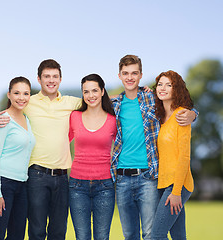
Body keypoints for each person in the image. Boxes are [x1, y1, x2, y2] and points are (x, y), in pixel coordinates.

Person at [0, 59, 81, 240]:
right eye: (47, 76)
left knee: (58, 231)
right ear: (39, 79)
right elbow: (10, 113)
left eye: (55, 76)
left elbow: (97, 99)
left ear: (61, 79)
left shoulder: (71, 102)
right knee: (36, 231)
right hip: (36, 176)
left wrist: (138, 92)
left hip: (62, 177)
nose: (51, 80)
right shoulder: (28, 101)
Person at [110, 55, 198, 240]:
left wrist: (193, 113)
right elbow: (90, 101)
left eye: (134, 73)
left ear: (141, 75)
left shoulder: (152, 99)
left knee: (153, 235)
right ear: (119, 75)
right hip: (125, 178)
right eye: (125, 73)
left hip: (149, 177)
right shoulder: (115, 104)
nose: (130, 77)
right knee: (135, 235)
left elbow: (184, 154)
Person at [69, 74, 117, 240]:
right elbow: (59, 141)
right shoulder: (74, 117)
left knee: (102, 237)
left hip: (105, 186)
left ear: (103, 91)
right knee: (82, 237)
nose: (91, 95)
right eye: (86, 91)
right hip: (76, 186)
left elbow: (121, 147)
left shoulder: (113, 120)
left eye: (95, 90)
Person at [0, 76, 35, 240]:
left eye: (25, 93)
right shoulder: (3, 119)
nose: (21, 98)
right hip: (3, 184)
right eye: (16, 93)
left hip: (22, 185)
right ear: (9, 95)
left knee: (17, 236)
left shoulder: (27, 120)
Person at [150, 70, 194, 240]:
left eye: (169, 85)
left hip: (177, 185)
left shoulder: (182, 115)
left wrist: (176, 192)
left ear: (177, 90)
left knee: (157, 235)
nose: (163, 88)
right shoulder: (161, 117)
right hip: (163, 183)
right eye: (160, 84)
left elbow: (184, 156)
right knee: (178, 236)